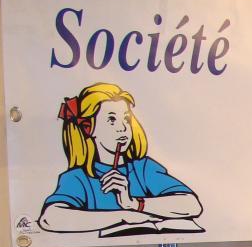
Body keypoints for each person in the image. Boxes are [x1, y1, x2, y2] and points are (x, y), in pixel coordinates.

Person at [39, 82, 202, 233]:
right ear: (89, 128)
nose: (123, 128)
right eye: (111, 120)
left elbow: (192, 205)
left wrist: (133, 203)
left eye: (126, 119)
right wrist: (122, 216)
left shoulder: (143, 168)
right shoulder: (78, 177)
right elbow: (50, 219)